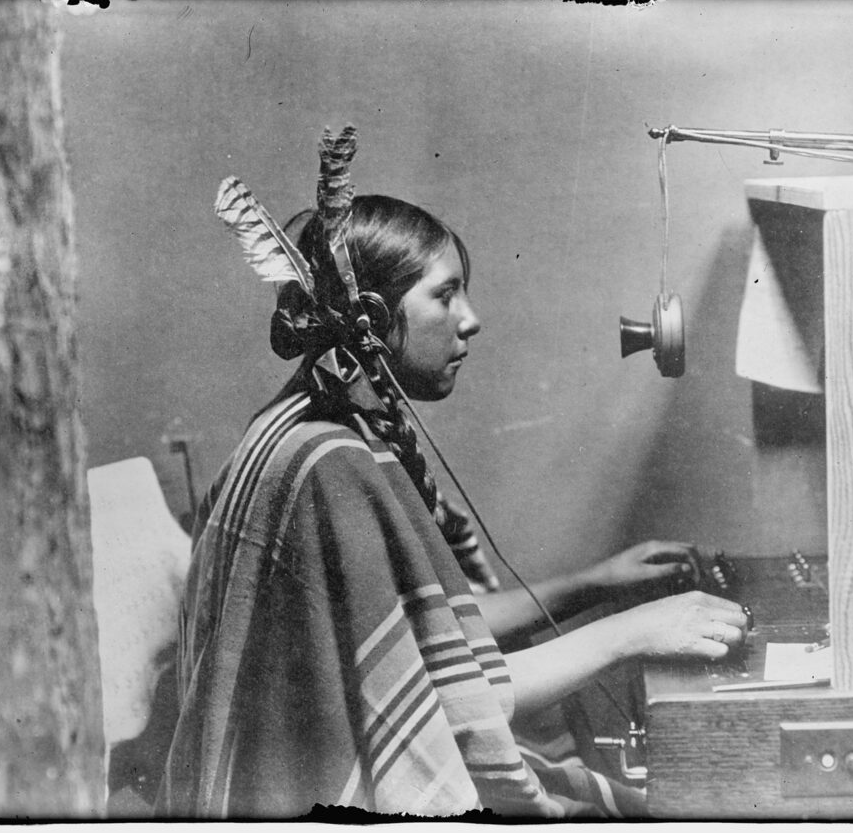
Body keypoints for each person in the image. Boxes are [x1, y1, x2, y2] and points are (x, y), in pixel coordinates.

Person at [157, 143, 748, 818]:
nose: (471, 319)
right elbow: (446, 707)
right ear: (374, 321)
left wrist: (595, 582)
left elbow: (428, 636)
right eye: (445, 294)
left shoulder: (313, 425)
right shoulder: (330, 468)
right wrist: (634, 632)